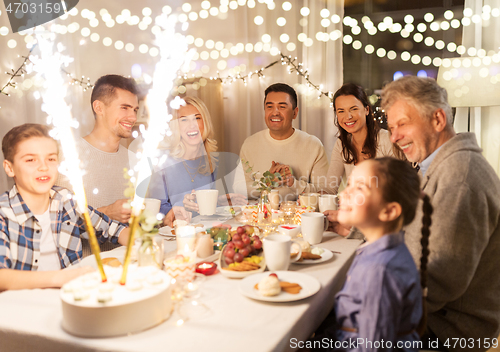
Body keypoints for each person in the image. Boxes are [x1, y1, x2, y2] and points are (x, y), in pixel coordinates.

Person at [382, 76, 500, 351]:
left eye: (402, 124)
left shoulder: (460, 177)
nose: (394, 137)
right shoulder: (436, 165)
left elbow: (436, 282)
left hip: (445, 332)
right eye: (391, 127)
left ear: (437, 120)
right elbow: (408, 228)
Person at [314, 157, 430, 351]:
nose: (344, 193)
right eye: (349, 184)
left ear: (389, 211)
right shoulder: (378, 251)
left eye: (359, 188)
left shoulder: (379, 271)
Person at [0, 124, 130, 291]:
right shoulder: (4, 213)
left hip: (72, 299)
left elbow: (112, 228)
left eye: (51, 159)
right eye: (31, 160)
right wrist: (61, 278)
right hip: (25, 309)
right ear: (9, 168)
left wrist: (143, 245)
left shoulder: (66, 200)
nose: (44, 167)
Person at [57, 74, 139, 254]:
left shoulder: (133, 158)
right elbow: (60, 222)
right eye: (124, 108)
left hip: (129, 264)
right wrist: (108, 212)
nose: (132, 117)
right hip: (87, 269)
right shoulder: (68, 155)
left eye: (135, 109)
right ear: (99, 107)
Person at [146, 96, 247, 226]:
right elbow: (156, 209)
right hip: (176, 234)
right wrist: (182, 206)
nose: (192, 125)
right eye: (184, 120)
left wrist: (218, 202)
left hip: (203, 231)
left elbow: (202, 208)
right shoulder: (162, 162)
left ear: (205, 122)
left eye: (197, 118)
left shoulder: (210, 161)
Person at [239, 83, 329, 201]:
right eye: (269, 106)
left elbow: (324, 192)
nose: (275, 112)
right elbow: (240, 190)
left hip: (300, 216)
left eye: (282, 107)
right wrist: (267, 182)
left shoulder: (313, 145)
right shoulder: (250, 144)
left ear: (295, 113)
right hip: (260, 215)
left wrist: (293, 183)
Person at [326, 83, 395, 194]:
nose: (348, 117)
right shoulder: (342, 144)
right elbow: (329, 188)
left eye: (353, 109)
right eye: (341, 111)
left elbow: (398, 188)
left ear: (367, 109)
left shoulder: (386, 140)